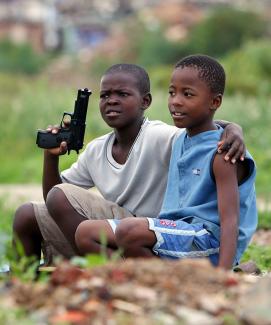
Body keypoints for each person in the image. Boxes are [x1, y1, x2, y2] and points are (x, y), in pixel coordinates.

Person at [13, 63, 245, 265]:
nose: (112, 100)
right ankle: (26, 278)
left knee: (62, 198)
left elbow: (199, 127)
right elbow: (52, 198)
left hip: (151, 233)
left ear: (145, 101)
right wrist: (51, 157)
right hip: (113, 231)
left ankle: (117, 269)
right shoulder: (97, 149)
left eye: (122, 94)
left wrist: (232, 128)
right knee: (27, 214)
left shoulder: (160, 136)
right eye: (105, 95)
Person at [75, 56, 257, 269]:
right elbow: (209, 126)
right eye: (172, 92)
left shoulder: (223, 152)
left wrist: (222, 276)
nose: (175, 101)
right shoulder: (180, 139)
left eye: (187, 94)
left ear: (215, 102)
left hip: (209, 242)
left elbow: (230, 221)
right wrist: (233, 126)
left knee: (129, 231)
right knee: (85, 233)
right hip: (175, 232)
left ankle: (196, 279)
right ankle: (156, 278)